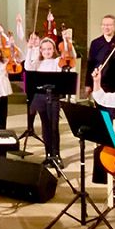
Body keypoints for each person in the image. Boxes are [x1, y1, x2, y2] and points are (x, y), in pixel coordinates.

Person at [19, 16, 67, 168]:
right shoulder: (37, 62)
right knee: (45, 127)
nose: (46, 51)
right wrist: (31, 48)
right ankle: (48, 155)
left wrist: (66, 42)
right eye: (44, 49)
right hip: (40, 97)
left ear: (53, 50)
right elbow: (27, 66)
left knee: (54, 127)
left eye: (49, 49)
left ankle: (56, 155)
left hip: (53, 97)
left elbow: (64, 70)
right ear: (41, 50)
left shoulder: (56, 62)